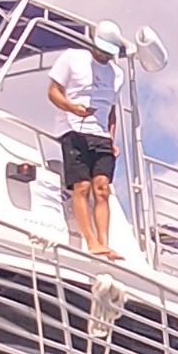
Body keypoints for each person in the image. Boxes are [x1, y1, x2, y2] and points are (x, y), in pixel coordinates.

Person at [45, 33, 123, 259]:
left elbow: (111, 110)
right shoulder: (72, 58)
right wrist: (71, 108)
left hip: (101, 136)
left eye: (109, 52)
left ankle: (104, 243)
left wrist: (111, 138)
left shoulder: (117, 74)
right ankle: (90, 240)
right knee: (81, 187)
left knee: (102, 189)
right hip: (73, 130)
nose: (105, 55)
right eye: (102, 50)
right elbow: (53, 92)